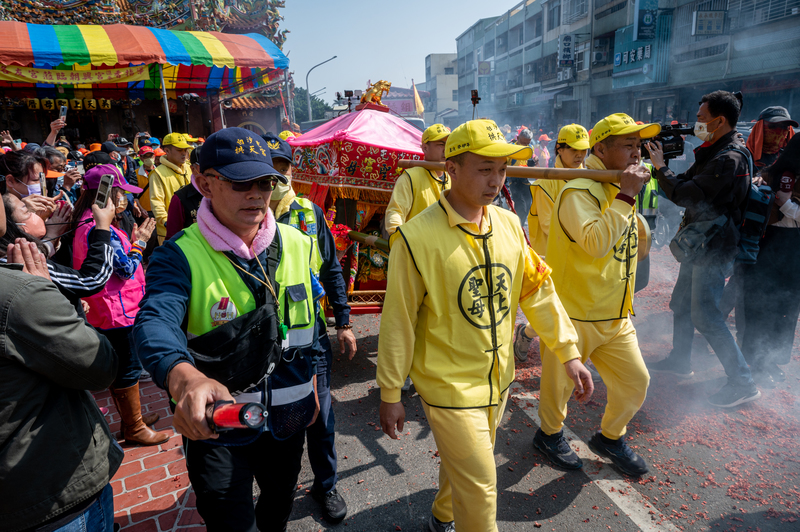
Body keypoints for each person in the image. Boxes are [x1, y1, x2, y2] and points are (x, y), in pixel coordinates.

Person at [377, 119, 587, 532]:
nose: (496, 181)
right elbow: (398, 319)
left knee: (465, 464)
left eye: (503, 170)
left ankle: (441, 516)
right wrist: (390, 391)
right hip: (448, 387)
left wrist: (567, 351)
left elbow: (537, 291)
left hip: (498, 381)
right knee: (481, 485)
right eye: (484, 169)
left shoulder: (508, 224)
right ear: (450, 170)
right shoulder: (415, 240)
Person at [133, 128, 321, 532]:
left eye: (266, 182)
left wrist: (317, 386)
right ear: (203, 183)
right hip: (218, 425)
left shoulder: (298, 243)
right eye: (240, 183)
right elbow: (154, 321)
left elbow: (310, 329)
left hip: (289, 419)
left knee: (278, 505)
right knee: (227, 518)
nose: (256, 194)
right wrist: (184, 379)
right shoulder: (179, 256)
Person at [535, 113, 656, 477]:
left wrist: (630, 204)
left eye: (639, 145)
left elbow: (637, 242)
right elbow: (595, 243)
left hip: (616, 316)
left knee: (636, 382)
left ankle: (610, 437)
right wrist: (626, 196)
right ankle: (548, 435)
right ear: (600, 149)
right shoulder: (578, 190)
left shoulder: (618, 187)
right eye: (627, 145)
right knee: (558, 393)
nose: (637, 153)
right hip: (574, 315)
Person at [0, 203, 122, 532]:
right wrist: (44, 290)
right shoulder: (18, 289)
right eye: (22, 207)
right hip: (49, 489)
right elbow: (98, 364)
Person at [646, 91, 760, 407]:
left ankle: (742, 382)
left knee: (706, 314)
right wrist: (662, 169)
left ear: (719, 121)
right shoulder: (715, 152)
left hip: (714, 247)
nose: (695, 125)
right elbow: (683, 182)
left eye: (700, 119)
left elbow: (687, 194)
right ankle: (681, 359)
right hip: (700, 242)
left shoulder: (730, 158)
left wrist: (660, 168)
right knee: (682, 304)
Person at [265, 132, 357, 523]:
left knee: (320, 418)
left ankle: (326, 485)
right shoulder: (241, 217)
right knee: (269, 421)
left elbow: (331, 269)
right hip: (263, 344)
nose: (274, 177)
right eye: (267, 168)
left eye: (282, 168)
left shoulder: (309, 213)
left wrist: (344, 322)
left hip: (310, 339)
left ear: (291, 171)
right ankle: (275, 493)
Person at [69, 164, 168, 446]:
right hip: (118, 309)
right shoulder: (100, 229)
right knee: (128, 366)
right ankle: (133, 427)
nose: (124, 199)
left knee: (123, 365)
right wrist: (140, 244)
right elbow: (124, 269)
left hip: (108, 306)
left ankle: (130, 418)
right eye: (121, 193)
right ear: (106, 195)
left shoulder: (87, 221)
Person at [514, 124, 589, 362]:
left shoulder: (591, 177)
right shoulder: (546, 184)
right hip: (553, 257)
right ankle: (526, 333)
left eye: (584, 150)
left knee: (579, 309)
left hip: (585, 252)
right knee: (558, 310)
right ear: (560, 148)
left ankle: (580, 358)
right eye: (574, 149)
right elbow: (549, 226)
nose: (580, 155)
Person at [740, 134, 800, 385]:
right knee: (758, 303)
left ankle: (771, 359)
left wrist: (786, 205)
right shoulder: (774, 173)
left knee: (786, 308)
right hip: (769, 242)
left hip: (794, 248)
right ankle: (753, 360)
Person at [1, 193, 116, 319]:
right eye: (26, 210)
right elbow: (92, 279)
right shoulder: (21, 260)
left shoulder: (11, 255)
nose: (35, 213)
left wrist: (67, 295)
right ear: (13, 226)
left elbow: (42, 253)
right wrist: (103, 228)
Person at [384, 124, 451, 235]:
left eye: (448, 144)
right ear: (425, 148)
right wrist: (399, 238)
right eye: (441, 144)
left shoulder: (453, 177)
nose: (446, 149)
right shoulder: (410, 177)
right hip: (419, 247)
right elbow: (395, 212)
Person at [149, 133, 192, 243]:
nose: (184, 153)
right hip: (170, 233)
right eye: (179, 150)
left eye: (185, 150)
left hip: (193, 229)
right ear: (167, 151)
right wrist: (167, 222)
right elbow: (156, 202)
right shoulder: (158, 173)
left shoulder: (190, 168)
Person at [165, 146, 204, 240]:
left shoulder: (223, 190)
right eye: (204, 166)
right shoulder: (180, 199)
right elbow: (173, 238)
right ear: (193, 169)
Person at [746, 106, 796, 171]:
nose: (778, 131)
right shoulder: (744, 157)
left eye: (784, 127)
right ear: (760, 128)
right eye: (773, 126)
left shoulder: (789, 158)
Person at [505, 127, 537, 227]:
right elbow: (503, 165)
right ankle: (517, 227)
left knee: (528, 205)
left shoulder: (530, 148)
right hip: (513, 181)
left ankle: (520, 225)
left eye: (527, 143)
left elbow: (530, 161)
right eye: (523, 142)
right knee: (521, 207)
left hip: (525, 180)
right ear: (518, 138)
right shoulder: (511, 148)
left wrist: (533, 161)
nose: (525, 145)